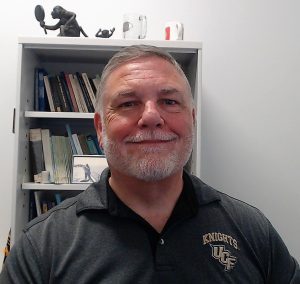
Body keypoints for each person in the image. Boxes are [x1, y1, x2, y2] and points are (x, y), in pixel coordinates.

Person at [1, 45, 299, 283]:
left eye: (169, 101)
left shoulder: (252, 229)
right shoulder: (40, 246)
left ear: (192, 120)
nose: (152, 117)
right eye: (128, 103)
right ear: (101, 128)